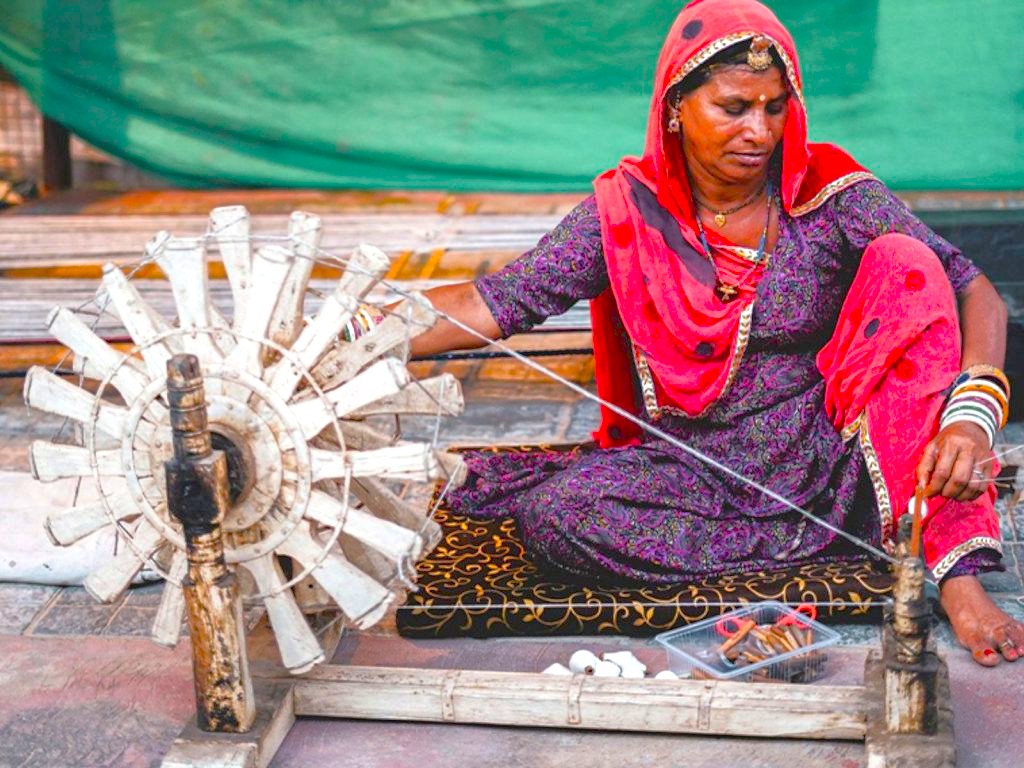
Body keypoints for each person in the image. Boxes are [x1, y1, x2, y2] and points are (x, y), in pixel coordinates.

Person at [394, 0, 1021, 666]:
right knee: (557, 518)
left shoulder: (827, 194)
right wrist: (362, 330)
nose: (759, 130)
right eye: (733, 108)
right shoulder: (626, 212)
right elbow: (496, 300)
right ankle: (846, 537)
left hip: (833, 460)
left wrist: (972, 421)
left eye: (775, 107)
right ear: (675, 107)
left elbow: (969, 288)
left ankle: (954, 574)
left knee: (910, 266)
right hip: (690, 470)